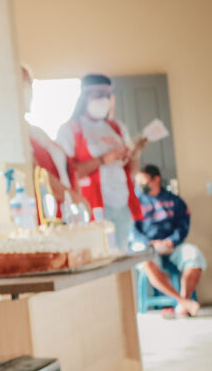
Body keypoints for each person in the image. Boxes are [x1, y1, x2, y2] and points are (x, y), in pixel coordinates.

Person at [56, 74, 146, 252]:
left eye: (108, 95)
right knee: (99, 254)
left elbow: (132, 171)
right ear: (84, 97)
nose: (104, 99)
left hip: (121, 203)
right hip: (93, 206)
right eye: (98, 94)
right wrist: (105, 159)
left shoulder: (117, 128)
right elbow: (67, 175)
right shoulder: (70, 129)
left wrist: (135, 152)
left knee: (121, 254)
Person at [134, 165, 204, 317]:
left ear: (156, 179)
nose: (140, 184)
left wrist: (171, 241)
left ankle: (182, 303)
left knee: (194, 255)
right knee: (144, 258)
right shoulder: (136, 201)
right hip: (149, 247)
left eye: (143, 180)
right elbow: (132, 230)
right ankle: (183, 302)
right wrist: (150, 243)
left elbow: (183, 226)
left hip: (172, 246)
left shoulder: (175, 201)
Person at [20, 66, 86, 220]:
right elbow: (37, 174)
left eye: (30, 84)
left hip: (64, 212)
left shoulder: (36, 132)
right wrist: (77, 201)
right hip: (41, 216)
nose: (29, 90)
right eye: (23, 84)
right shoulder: (12, 134)